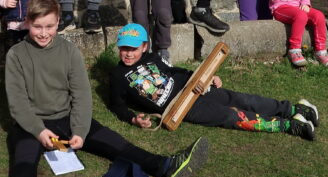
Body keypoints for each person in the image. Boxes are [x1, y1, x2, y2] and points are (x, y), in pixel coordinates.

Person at [0, 0, 209, 177]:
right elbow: (17, 103)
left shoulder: (69, 51)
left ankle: (167, 166)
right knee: (25, 154)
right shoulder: (16, 55)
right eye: (37, 26)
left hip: (67, 118)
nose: (43, 33)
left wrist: (79, 131)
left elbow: (81, 95)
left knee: (116, 144)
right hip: (31, 123)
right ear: (27, 22)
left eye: (49, 26)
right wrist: (38, 131)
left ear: (58, 22)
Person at [108, 23, 317, 140]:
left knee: (239, 99)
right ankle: (289, 125)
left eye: (133, 48)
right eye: (124, 48)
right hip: (182, 108)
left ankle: (292, 109)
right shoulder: (118, 76)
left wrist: (204, 76)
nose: (128, 53)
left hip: (194, 88)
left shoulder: (152, 57)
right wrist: (133, 119)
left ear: (144, 47)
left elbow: (175, 71)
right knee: (230, 116)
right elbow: (117, 105)